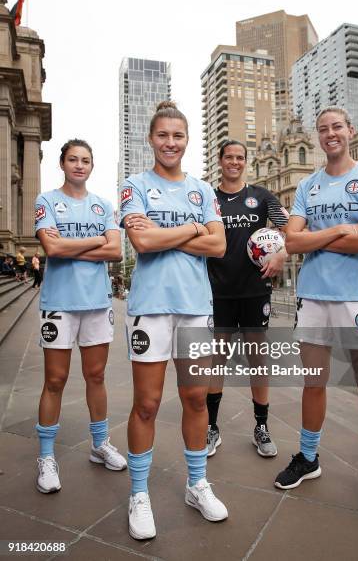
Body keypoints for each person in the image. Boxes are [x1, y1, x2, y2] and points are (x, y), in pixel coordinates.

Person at [275, 107, 358, 521]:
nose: (330, 134)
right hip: (314, 296)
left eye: (337, 127)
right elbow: (291, 242)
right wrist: (341, 230)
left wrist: (316, 239)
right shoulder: (307, 184)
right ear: (317, 136)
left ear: (350, 131)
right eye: (323, 129)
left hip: (357, 298)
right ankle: (309, 457)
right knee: (314, 383)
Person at [121, 101, 228, 540]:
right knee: (146, 404)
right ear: (151, 139)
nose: (170, 142)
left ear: (187, 140)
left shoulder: (203, 190)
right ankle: (138, 493)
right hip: (150, 307)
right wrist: (194, 231)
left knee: (198, 402)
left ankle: (197, 483)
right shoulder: (134, 185)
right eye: (163, 135)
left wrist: (176, 236)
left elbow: (219, 246)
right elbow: (142, 242)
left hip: (195, 307)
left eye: (178, 136)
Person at [34, 138, 126, 495]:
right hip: (58, 303)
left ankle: (99, 444)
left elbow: (116, 250)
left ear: (91, 165)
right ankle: (45, 457)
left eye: (85, 160)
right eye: (73, 159)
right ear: (62, 163)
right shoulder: (46, 201)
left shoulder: (103, 205)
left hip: (97, 303)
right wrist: (94, 243)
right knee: (55, 380)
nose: (79, 165)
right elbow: (51, 248)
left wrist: (70, 247)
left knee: (96, 375)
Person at [206, 139, 289, 458]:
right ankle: (212, 427)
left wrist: (281, 251)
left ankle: (261, 426)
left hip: (256, 290)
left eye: (240, 158)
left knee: (258, 359)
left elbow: (288, 228)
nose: (235, 162)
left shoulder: (262, 196)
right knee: (218, 361)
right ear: (220, 159)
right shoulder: (209, 199)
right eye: (229, 157)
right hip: (218, 290)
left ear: (245, 162)